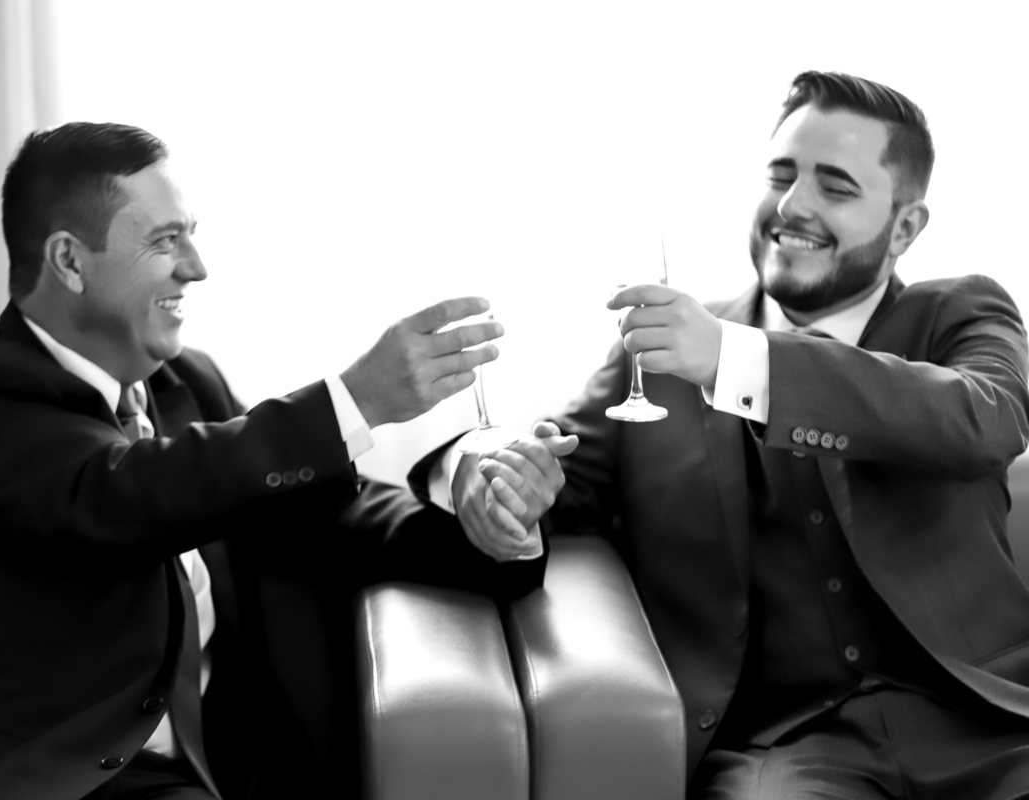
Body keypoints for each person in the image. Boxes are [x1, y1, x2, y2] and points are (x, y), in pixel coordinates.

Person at [0, 122, 565, 800]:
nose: (196, 268)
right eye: (166, 241)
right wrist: (355, 400)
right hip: (17, 780)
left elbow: (318, 511)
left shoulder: (185, 385)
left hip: (185, 779)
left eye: (191, 235)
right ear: (69, 261)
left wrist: (486, 525)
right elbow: (135, 494)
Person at [421, 71, 1029, 797]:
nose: (791, 206)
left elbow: (987, 417)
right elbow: (552, 473)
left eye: (835, 187)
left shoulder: (960, 312)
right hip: (786, 752)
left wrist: (734, 361)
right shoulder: (655, 356)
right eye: (781, 175)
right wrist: (481, 467)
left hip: (989, 722)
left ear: (905, 228)